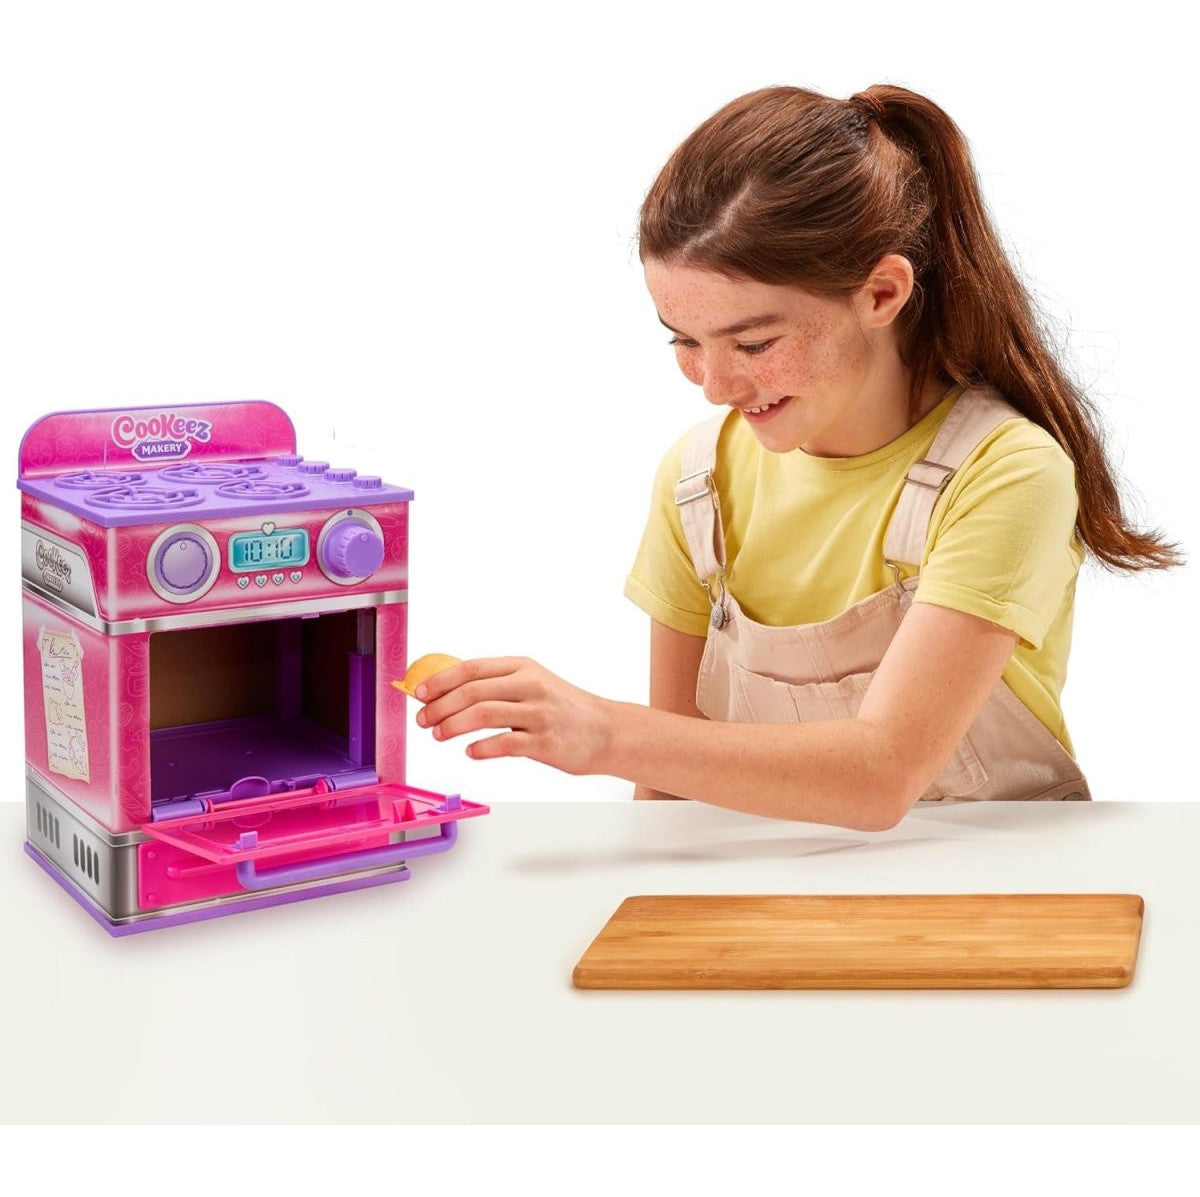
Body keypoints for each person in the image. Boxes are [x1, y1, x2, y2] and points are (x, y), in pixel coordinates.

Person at [411, 84, 1180, 831]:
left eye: (752, 343)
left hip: (996, 891)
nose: (714, 386)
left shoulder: (1008, 472)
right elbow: (669, 792)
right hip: (772, 891)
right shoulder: (698, 481)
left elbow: (882, 775)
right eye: (684, 340)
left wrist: (604, 732)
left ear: (881, 294)